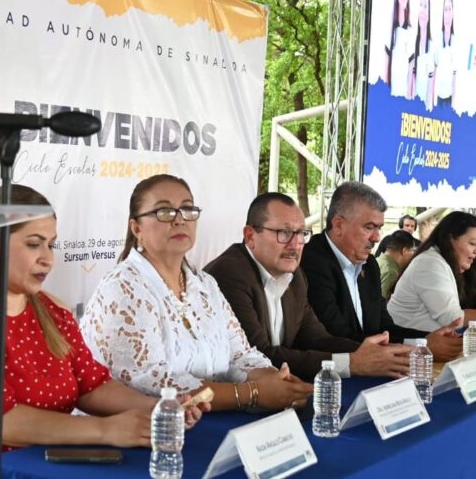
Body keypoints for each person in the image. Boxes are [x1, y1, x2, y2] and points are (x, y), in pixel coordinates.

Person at [0, 185, 207, 479]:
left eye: (51, 245)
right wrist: (106, 430)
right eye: (34, 244)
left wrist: (159, 408)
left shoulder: (52, 309)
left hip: (37, 468)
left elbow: (92, 386)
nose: (48, 259)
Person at [81, 175, 312, 413]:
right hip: (142, 433)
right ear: (136, 228)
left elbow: (240, 354)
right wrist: (252, 393)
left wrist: (273, 380)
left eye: (187, 209)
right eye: (164, 212)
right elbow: (155, 385)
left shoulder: (205, 285)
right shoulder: (122, 288)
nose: (180, 220)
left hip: (207, 423)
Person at [204, 193, 410, 382]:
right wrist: (352, 363)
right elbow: (259, 356)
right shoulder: (230, 274)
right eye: (284, 233)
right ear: (250, 236)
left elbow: (316, 339)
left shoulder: (295, 276)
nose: (295, 244)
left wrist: (374, 355)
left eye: (301, 233)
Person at [300, 182, 463, 361]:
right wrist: (419, 347)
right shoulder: (311, 262)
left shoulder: (369, 264)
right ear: (338, 225)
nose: (377, 238)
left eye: (379, 228)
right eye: (369, 227)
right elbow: (336, 336)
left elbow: (384, 329)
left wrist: (426, 339)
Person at [388, 212, 476, 330]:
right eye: (473, 243)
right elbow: (453, 319)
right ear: (450, 239)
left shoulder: (457, 265)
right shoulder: (429, 263)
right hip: (411, 344)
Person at [385, 0, 414, 98]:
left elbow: (411, 74)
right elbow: (385, 67)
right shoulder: (390, 23)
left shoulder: (411, 28)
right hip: (390, 99)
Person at [410, 0, 436, 108]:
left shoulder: (432, 47)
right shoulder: (412, 43)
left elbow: (430, 90)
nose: (422, 10)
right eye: (420, 5)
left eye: (425, 6)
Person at [377, 230, 418, 299]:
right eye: (412, 250)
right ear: (404, 251)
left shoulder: (378, 260)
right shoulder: (390, 272)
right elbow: (380, 303)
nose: (413, 254)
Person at [434, 0, 457, 110]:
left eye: (450, 9)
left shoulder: (456, 40)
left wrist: (453, 101)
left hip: (450, 98)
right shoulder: (438, 38)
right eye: (445, 9)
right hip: (438, 97)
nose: (447, 13)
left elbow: (455, 74)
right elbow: (434, 68)